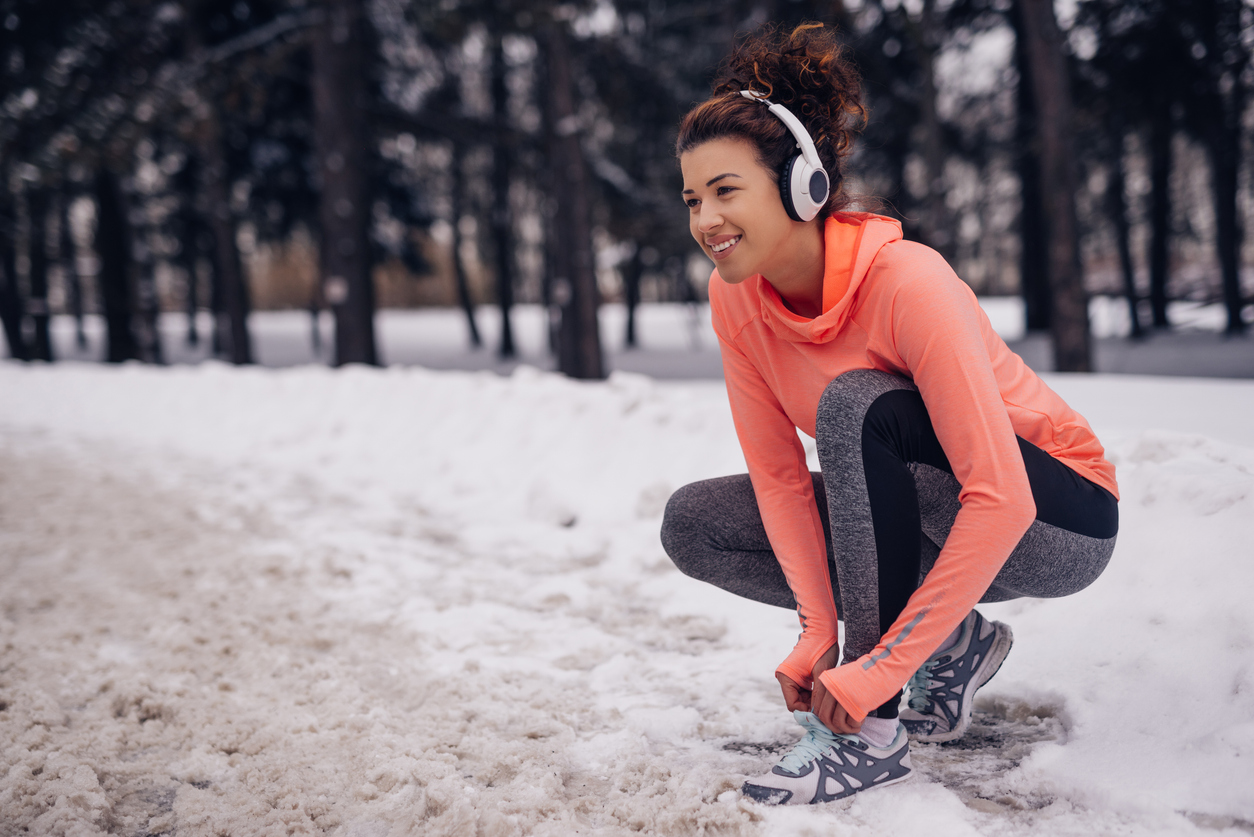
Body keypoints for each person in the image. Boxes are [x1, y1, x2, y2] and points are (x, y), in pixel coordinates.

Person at [660, 23, 1119, 806]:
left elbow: (1000, 494)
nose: (705, 220)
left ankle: (868, 734)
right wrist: (815, 630)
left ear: (802, 186)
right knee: (695, 521)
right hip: (932, 511)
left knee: (859, 403)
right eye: (693, 198)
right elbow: (778, 480)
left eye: (726, 191)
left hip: (1057, 519)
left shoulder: (907, 281)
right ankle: (952, 637)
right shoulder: (735, 301)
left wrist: (877, 671)